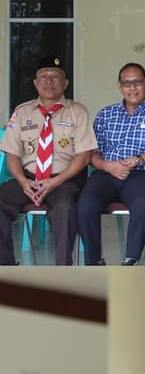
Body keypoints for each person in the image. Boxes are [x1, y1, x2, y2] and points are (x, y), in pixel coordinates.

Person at [0, 55, 96, 265]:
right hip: (27, 179)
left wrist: (55, 181)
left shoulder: (77, 112)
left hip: (64, 180)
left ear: (66, 82)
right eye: (44, 76)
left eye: (55, 76)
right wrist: (23, 181)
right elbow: (12, 154)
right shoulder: (21, 112)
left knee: (65, 210)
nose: (49, 81)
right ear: (35, 82)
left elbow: (83, 155)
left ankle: (62, 269)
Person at [76, 62, 145, 265]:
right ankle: (94, 261)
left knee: (143, 204)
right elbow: (92, 153)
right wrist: (108, 166)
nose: (132, 88)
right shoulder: (105, 114)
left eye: (137, 82)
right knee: (85, 204)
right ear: (119, 86)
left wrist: (139, 159)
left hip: (140, 174)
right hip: (106, 174)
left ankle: (130, 259)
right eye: (126, 83)